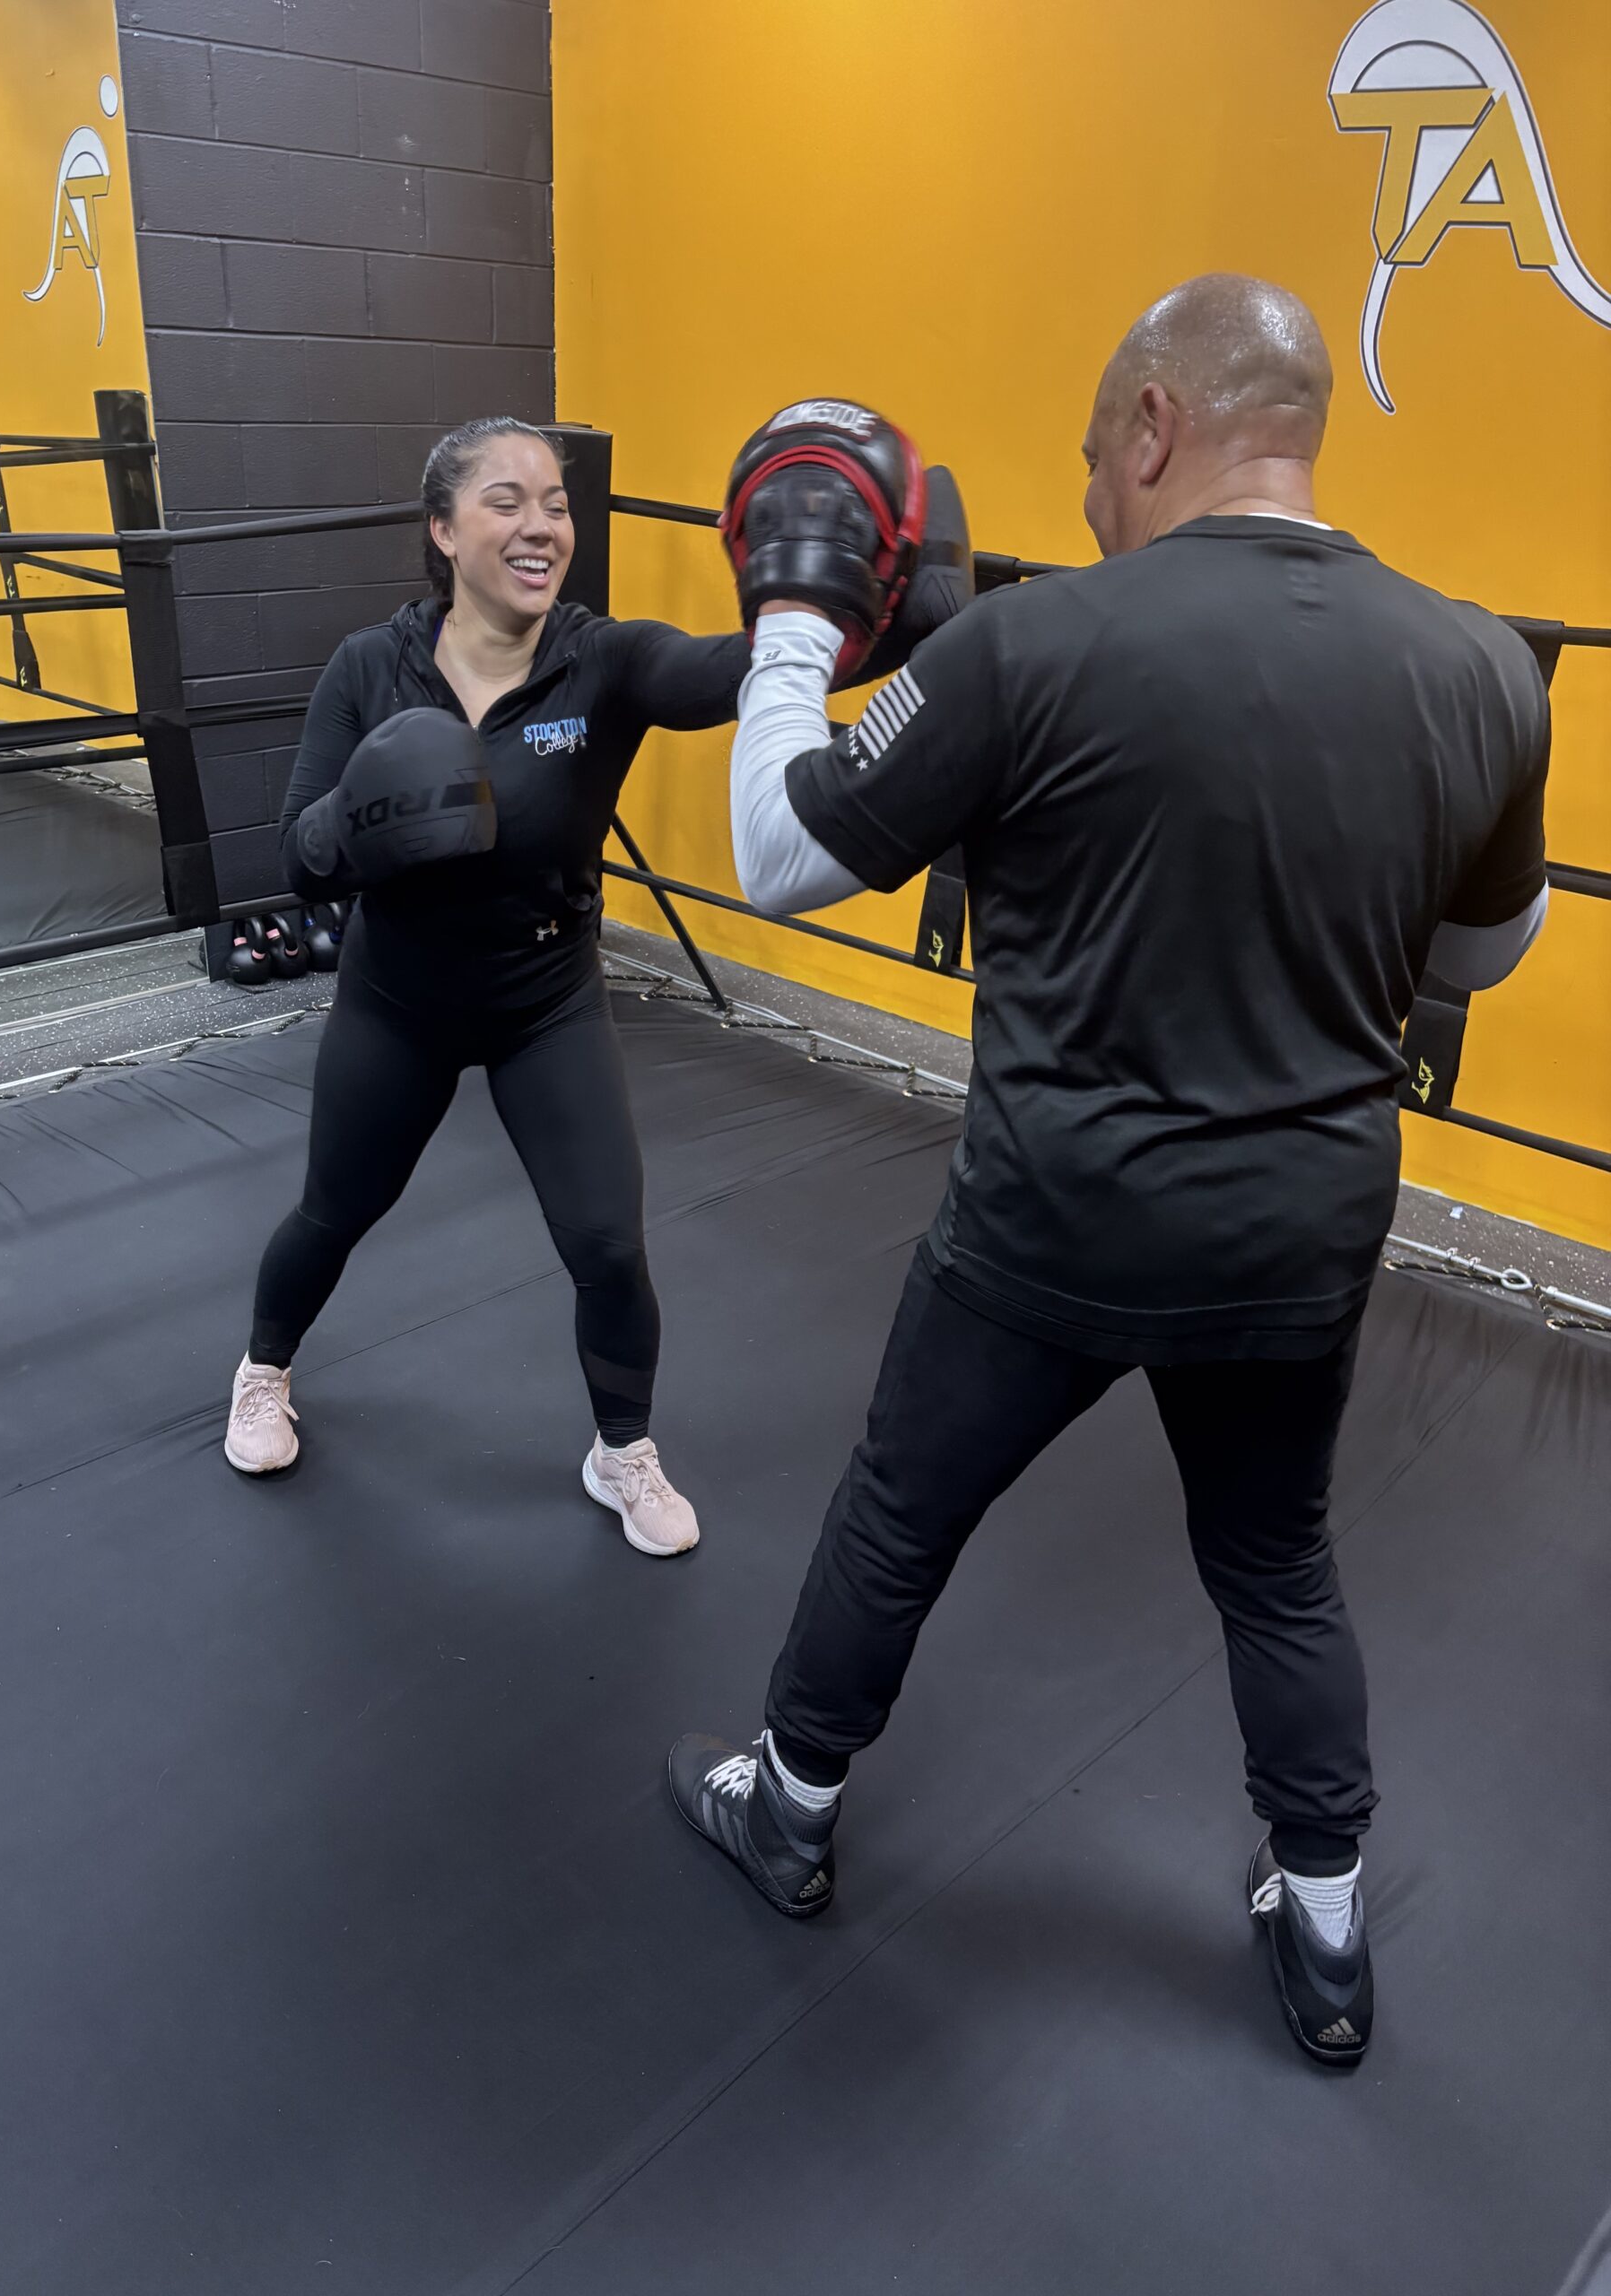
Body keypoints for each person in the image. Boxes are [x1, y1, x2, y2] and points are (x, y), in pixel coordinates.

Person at [668, 276, 1552, 2064]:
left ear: (1153, 424)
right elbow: (1485, 956)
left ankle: (797, 1803)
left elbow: (775, 852)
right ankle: (1321, 1921)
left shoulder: (1035, 646)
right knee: (1279, 1562)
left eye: (1093, 455)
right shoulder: (1478, 667)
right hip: (1295, 1236)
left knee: (903, 1510)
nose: (1084, 499)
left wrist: (789, 623)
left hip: (1050, 1221)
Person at [222, 416, 753, 1555]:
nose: (541, 525)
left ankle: (622, 1453)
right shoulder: (371, 666)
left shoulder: (600, 660)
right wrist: (374, 805)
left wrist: (846, 615)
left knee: (608, 1242)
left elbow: (722, 672)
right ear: (443, 527)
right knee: (335, 1209)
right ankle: (263, 1371)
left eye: (556, 503)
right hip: (398, 999)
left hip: (544, 1000)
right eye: (507, 501)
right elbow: (296, 860)